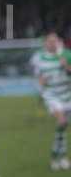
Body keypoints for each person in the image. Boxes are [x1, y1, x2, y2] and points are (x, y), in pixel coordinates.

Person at [30, 32, 71, 171]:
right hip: (51, 95)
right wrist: (41, 87)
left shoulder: (66, 54)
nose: (52, 44)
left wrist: (66, 66)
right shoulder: (39, 58)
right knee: (62, 122)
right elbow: (38, 77)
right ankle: (55, 158)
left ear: (59, 42)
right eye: (50, 41)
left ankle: (61, 157)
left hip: (67, 95)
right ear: (45, 43)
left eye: (55, 41)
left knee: (62, 129)